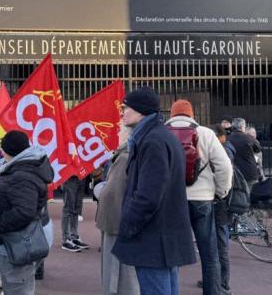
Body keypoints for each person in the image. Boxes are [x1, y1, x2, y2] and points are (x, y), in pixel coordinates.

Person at [112, 87, 196, 295]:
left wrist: (128, 224)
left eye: (125, 107)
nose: (122, 112)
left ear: (140, 111)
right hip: (163, 235)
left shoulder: (152, 141)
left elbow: (148, 196)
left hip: (155, 237)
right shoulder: (159, 136)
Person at [166, 100, 232, 295]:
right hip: (202, 198)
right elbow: (224, 167)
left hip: (173, 200)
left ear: (172, 114)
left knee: (172, 252)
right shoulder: (205, 133)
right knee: (209, 253)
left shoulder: (162, 132)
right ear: (191, 114)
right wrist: (220, 191)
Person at [0, 130, 53, 295]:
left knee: (18, 289)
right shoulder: (25, 166)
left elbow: (24, 212)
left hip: (18, 242)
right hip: (21, 240)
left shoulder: (21, 174)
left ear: (7, 150)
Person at [96, 126, 140, 295]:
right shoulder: (126, 155)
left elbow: (114, 192)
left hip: (115, 220)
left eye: (121, 130)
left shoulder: (124, 157)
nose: (117, 132)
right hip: (118, 219)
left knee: (116, 272)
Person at [210, 124, 235, 294]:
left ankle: (223, 283)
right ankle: (215, 278)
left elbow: (225, 174)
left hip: (221, 202)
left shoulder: (224, 150)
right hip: (222, 201)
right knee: (217, 241)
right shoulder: (225, 148)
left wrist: (219, 193)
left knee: (220, 242)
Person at [229, 118, 261, 190]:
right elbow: (258, 149)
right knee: (250, 195)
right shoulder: (249, 138)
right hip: (249, 172)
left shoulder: (228, 139)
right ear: (242, 127)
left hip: (233, 172)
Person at [61, 173, 89, 252]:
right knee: (68, 208)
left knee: (76, 208)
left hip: (80, 175)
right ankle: (65, 239)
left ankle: (73, 236)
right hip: (69, 176)